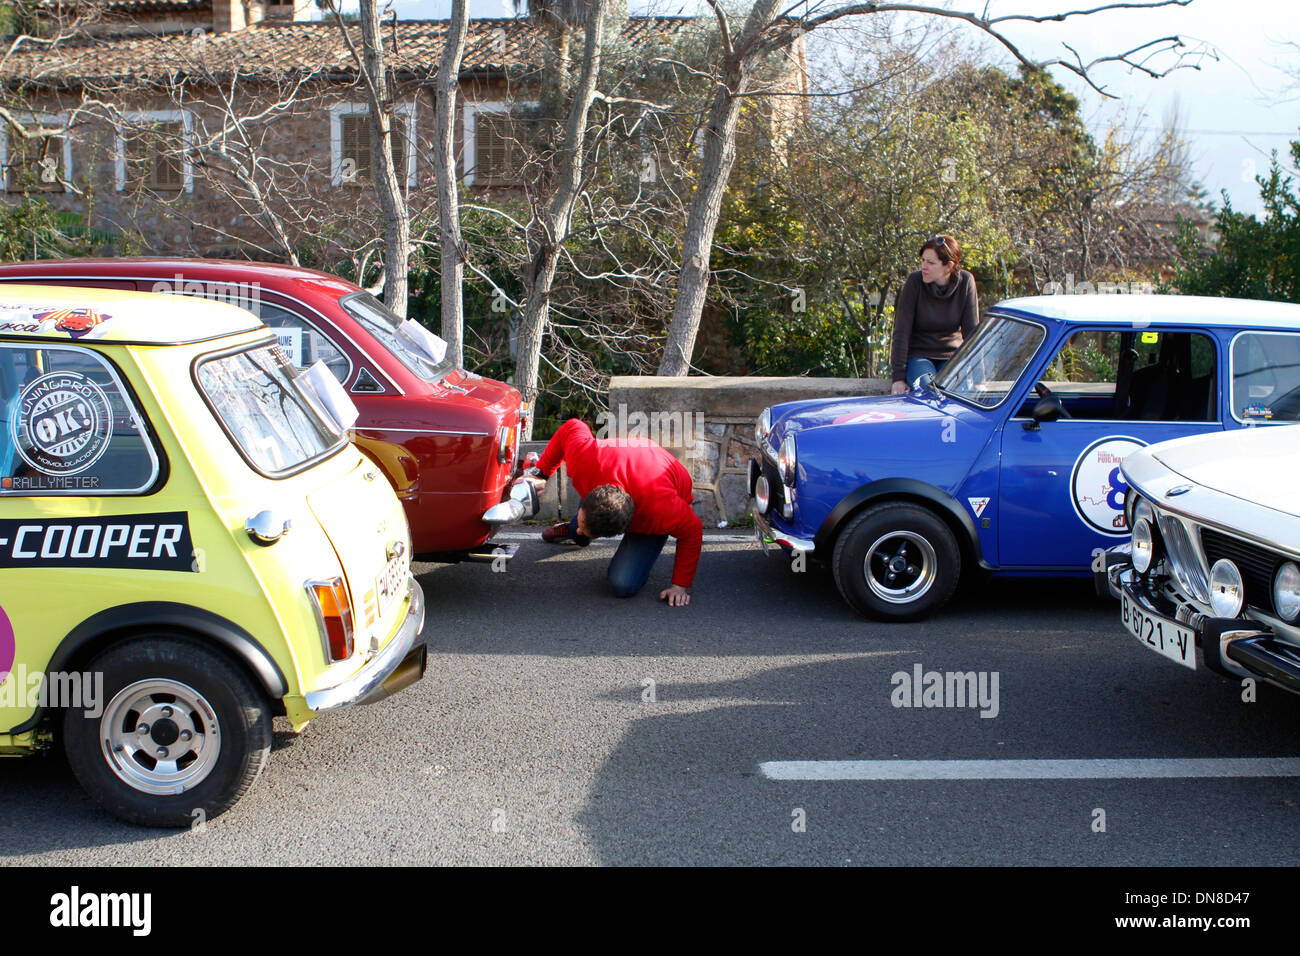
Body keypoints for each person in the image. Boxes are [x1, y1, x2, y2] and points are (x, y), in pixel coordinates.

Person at [523, 418, 702, 607]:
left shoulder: (661, 511)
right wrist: (540, 474)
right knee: (578, 530)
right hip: (610, 465)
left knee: (623, 585)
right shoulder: (585, 458)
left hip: (658, 484)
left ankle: (584, 531)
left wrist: (679, 586)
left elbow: (693, 531)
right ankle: (574, 528)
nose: (581, 527)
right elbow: (572, 426)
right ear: (589, 496)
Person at [890, 234, 980, 395]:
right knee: (929, 392)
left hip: (951, 356)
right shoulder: (914, 282)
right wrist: (898, 378)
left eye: (931, 263)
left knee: (959, 392)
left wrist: (980, 377)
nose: (924, 266)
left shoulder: (966, 282)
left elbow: (972, 333)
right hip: (919, 356)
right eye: (923, 261)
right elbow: (901, 332)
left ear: (949, 266)